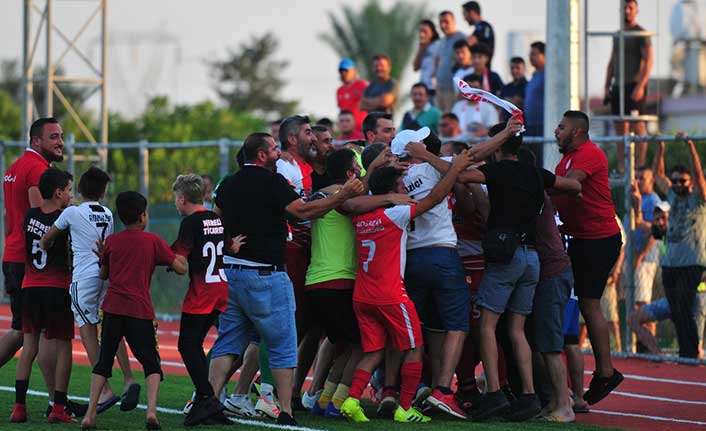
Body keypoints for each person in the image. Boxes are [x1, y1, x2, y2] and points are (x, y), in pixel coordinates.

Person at [208, 132, 364, 425]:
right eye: (274, 149)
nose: (279, 154)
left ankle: (207, 401)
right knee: (281, 341)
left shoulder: (228, 183)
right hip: (266, 273)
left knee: (228, 342)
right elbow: (301, 212)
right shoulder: (272, 182)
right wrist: (342, 194)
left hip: (232, 271)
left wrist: (227, 242)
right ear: (262, 155)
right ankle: (284, 410)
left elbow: (214, 221)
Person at [398, 117, 525, 420]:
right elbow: (477, 154)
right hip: (442, 254)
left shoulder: (394, 176)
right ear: (413, 149)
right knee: (458, 325)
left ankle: (397, 391)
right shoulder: (431, 165)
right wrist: (507, 132)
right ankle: (444, 389)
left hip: (410, 259)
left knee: (419, 330)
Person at [340, 150, 474, 424]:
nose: (405, 189)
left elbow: (352, 204)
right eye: (401, 186)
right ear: (392, 190)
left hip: (363, 295)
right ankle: (404, 408)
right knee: (414, 346)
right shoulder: (396, 214)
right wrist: (454, 169)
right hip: (391, 294)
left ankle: (352, 400)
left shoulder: (360, 217)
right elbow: (434, 199)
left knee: (375, 351)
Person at [82, 191, 188, 430]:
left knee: (103, 362)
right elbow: (180, 269)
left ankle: (90, 414)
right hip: (139, 310)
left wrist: (102, 258)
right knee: (151, 364)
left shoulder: (112, 242)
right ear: (142, 216)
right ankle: (151, 412)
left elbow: (104, 275)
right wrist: (182, 256)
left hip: (112, 309)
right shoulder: (152, 241)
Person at [1, 117, 85, 418]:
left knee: (25, 333)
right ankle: (56, 401)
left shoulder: (14, 167)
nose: (60, 142)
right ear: (37, 141)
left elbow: (23, 218)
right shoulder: (38, 170)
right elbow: (44, 216)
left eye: (61, 136)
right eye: (54, 137)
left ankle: (43, 402)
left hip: (16, 254)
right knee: (41, 336)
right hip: (37, 266)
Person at [40, 167, 139, 415]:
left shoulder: (72, 212)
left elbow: (48, 237)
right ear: (104, 193)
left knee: (87, 331)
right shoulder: (106, 213)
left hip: (83, 277)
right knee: (111, 328)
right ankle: (128, 379)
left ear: (80, 190)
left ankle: (104, 386)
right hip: (106, 275)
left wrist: (44, 244)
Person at [553, 110, 624, 405]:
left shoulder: (589, 154)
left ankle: (606, 371)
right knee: (583, 302)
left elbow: (570, 185)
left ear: (578, 132)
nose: (557, 131)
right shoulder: (566, 158)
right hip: (581, 239)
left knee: (588, 302)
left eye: (562, 127)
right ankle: (603, 372)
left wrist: (537, 181)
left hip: (599, 239)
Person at [11, 168, 75, 424]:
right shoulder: (65, 218)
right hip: (56, 287)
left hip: (30, 287)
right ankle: (58, 407)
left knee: (29, 348)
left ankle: (19, 407)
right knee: (64, 346)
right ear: (58, 192)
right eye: (69, 190)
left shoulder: (29, 215)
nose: (71, 195)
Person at [171, 174, 235, 426]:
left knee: (187, 345)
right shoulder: (215, 219)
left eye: (176, 199)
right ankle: (208, 402)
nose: (176, 203)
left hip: (202, 292)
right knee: (195, 343)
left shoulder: (190, 223)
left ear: (183, 199)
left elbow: (181, 264)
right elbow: (230, 246)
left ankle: (207, 398)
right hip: (221, 289)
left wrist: (163, 259)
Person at [653, 133, 706, 358]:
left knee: (684, 307)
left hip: (692, 262)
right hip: (670, 263)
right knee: (676, 310)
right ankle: (686, 352)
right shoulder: (673, 196)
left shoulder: (698, 198)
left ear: (690, 182)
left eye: (681, 181)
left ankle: (690, 353)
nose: (676, 184)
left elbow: (699, 175)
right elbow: (657, 175)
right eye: (674, 181)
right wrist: (661, 147)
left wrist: (690, 145)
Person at [604, 0, 654, 174]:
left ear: (636, 10)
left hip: (634, 85)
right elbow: (612, 62)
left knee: (637, 123)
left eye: (630, 8)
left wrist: (640, 86)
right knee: (619, 125)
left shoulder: (641, 33)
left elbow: (649, 61)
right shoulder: (617, 34)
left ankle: (640, 165)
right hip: (618, 86)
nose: (627, 11)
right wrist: (606, 86)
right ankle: (622, 166)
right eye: (624, 8)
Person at [435, 11, 466, 112]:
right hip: (440, 87)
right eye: (441, 22)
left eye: (446, 22)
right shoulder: (443, 40)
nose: (443, 25)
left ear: (453, 22)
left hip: (452, 88)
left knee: (449, 119)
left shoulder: (461, 38)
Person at [337, 59, 369, 133]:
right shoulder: (340, 90)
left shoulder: (362, 85)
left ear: (353, 71)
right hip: (347, 130)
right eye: (341, 71)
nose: (343, 73)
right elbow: (342, 110)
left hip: (362, 128)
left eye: (346, 71)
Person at [525, 42, 546, 145]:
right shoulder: (534, 76)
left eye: (534, 54)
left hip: (543, 125)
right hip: (531, 125)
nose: (530, 57)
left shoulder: (547, 76)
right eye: (530, 54)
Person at [413, 19, 441, 96]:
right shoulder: (422, 47)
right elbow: (415, 67)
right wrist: (421, 49)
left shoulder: (438, 45)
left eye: (425, 31)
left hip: (434, 88)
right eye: (420, 31)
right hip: (423, 88)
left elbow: (439, 64)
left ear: (432, 32)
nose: (422, 34)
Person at [311, 125, 335, 191]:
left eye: (331, 141)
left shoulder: (336, 167)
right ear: (312, 144)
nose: (331, 146)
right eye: (326, 141)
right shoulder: (303, 171)